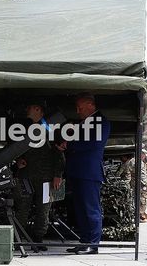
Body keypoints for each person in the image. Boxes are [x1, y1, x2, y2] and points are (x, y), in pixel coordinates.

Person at [13, 99, 64, 249]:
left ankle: (38, 239)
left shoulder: (51, 128)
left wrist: (58, 175)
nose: (27, 110)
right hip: (25, 176)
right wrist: (18, 160)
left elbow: (59, 153)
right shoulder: (22, 127)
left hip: (46, 177)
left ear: (38, 109)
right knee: (22, 207)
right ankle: (19, 239)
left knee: (44, 209)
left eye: (30, 107)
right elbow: (13, 149)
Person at [65, 94, 111, 254]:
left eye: (80, 107)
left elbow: (93, 143)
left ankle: (93, 243)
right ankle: (85, 240)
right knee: (80, 209)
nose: (77, 111)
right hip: (78, 171)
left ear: (90, 105)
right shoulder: (84, 123)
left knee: (91, 209)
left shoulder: (101, 121)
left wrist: (69, 143)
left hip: (89, 172)